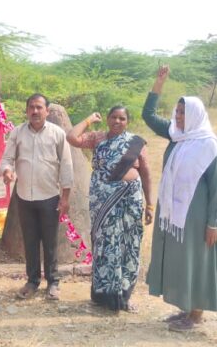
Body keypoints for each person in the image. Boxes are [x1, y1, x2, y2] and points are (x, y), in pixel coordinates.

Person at [143, 65, 217, 332]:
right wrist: (158, 83)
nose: (178, 116)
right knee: (182, 260)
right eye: (177, 111)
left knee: (197, 260)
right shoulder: (177, 135)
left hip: (197, 215)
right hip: (175, 213)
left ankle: (196, 314)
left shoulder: (209, 145)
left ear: (195, 114)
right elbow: (148, 115)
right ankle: (186, 308)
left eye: (183, 112)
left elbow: (215, 188)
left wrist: (213, 223)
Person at [67, 105, 152, 312]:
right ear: (107, 119)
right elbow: (71, 137)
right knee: (105, 244)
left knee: (128, 245)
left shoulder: (136, 143)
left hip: (130, 202)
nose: (117, 121)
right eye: (113, 117)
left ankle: (124, 296)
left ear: (127, 121)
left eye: (122, 118)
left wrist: (150, 204)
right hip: (102, 202)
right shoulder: (97, 138)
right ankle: (102, 295)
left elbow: (146, 173)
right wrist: (88, 120)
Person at [0, 94, 74, 301]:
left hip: (49, 197)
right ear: (26, 110)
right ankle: (32, 281)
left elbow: (66, 166)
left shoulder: (57, 134)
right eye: (31, 107)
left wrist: (65, 198)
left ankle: (53, 282)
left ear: (47, 111)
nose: (35, 111)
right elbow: (7, 158)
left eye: (39, 107)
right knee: (30, 242)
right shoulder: (17, 133)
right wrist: (7, 171)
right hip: (24, 197)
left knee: (50, 243)